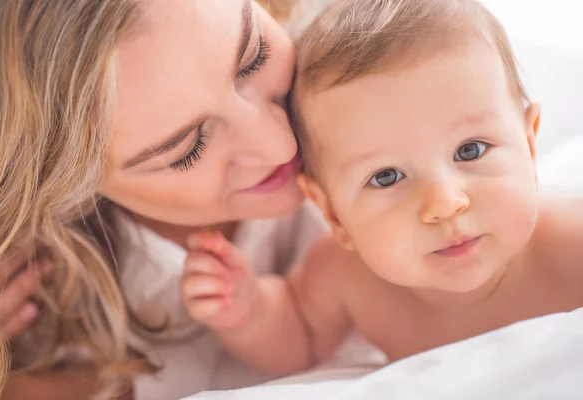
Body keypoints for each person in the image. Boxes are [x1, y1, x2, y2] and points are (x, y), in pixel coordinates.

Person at [0, 1, 368, 399]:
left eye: (255, 57)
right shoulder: (34, 306)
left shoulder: (377, 58)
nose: (280, 146)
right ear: (64, 186)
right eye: (188, 149)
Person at [181, 0, 583, 375]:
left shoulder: (571, 245)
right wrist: (247, 310)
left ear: (530, 147)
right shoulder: (346, 276)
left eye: (471, 150)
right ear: (332, 212)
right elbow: (299, 336)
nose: (444, 203)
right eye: (386, 176)